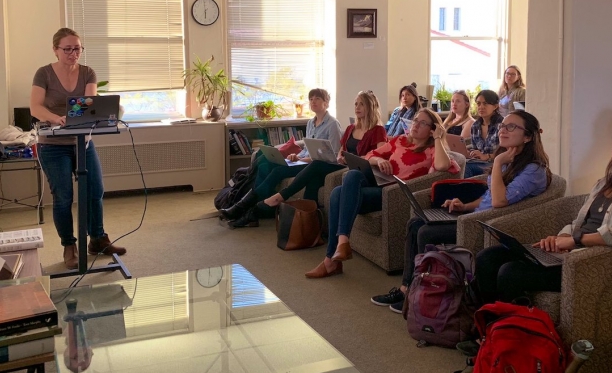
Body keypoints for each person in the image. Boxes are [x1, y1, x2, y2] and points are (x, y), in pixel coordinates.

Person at [371, 110, 551, 313]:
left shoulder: (533, 170)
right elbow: (489, 197)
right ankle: (408, 289)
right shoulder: (510, 159)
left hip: (488, 223)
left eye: (511, 127)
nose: (503, 130)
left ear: (528, 136)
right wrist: (464, 206)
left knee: (426, 232)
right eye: (503, 126)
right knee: (415, 224)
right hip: (475, 215)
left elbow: (500, 201)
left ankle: (422, 294)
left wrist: (498, 161)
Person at [305, 108, 460, 278]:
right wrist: (379, 160)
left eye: (423, 123)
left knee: (338, 194)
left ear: (433, 129)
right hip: (379, 184)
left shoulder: (431, 149)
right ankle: (341, 244)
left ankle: (332, 259)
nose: (416, 125)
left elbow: (443, 166)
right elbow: (370, 155)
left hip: (393, 195)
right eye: (415, 120)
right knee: (350, 178)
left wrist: (438, 137)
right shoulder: (400, 140)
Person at [474, 129, 612, 305]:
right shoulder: (604, 182)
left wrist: (575, 241)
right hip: (571, 250)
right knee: (488, 257)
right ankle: (488, 322)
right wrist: (562, 237)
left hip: (589, 262)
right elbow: (579, 221)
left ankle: (506, 328)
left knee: (511, 272)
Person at [30, 28, 126, 270]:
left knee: (95, 190)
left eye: (78, 48)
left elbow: (89, 105)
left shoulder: (88, 73)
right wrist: (55, 117)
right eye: (68, 49)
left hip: (83, 141)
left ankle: (97, 239)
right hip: (53, 146)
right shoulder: (44, 74)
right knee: (63, 197)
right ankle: (69, 246)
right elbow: (35, 107)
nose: (74, 53)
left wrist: (81, 116)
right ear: (56, 50)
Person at [222, 90, 386, 228]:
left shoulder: (377, 130)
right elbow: (340, 151)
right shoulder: (351, 128)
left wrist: (349, 158)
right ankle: (307, 225)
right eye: (356, 104)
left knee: (315, 166)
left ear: (370, 107)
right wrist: (341, 156)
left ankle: (277, 198)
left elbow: (378, 154)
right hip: (339, 164)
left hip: (352, 170)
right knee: (311, 179)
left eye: (361, 104)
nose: (357, 107)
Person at [465, 90, 504, 177]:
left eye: (485, 103)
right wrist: (471, 153)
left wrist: (487, 156)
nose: (481, 107)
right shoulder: (475, 126)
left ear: (495, 106)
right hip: (479, 162)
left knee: (466, 167)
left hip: (496, 164)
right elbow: (475, 148)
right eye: (478, 104)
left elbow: (508, 152)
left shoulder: (502, 125)